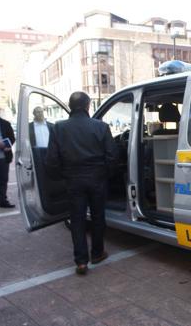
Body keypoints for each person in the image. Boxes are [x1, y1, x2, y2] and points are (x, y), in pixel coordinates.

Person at [46, 91, 116, 275]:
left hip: (73, 180)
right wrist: (106, 175)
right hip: (97, 178)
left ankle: (81, 262)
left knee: (77, 220)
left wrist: (63, 176)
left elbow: (51, 159)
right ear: (88, 106)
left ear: (70, 106)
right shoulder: (101, 127)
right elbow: (112, 156)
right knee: (98, 217)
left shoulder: (58, 128)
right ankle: (98, 253)